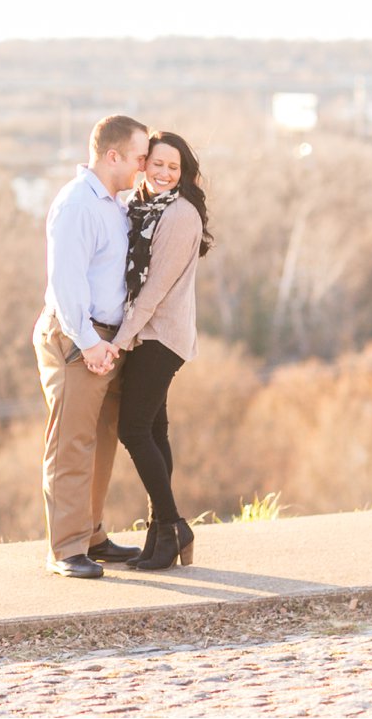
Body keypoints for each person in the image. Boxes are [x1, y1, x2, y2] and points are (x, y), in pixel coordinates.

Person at [34, 114, 149, 578]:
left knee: (102, 441)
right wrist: (88, 343)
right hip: (75, 338)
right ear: (113, 155)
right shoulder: (78, 204)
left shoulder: (114, 205)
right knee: (71, 444)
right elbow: (66, 285)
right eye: (140, 157)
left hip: (106, 340)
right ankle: (64, 549)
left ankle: (92, 536)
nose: (144, 166)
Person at [111, 131, 213, 571]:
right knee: (154, 430)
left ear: (184, 172)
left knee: (132, 430)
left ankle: (171, 524)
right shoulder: (140, 207)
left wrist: (121, 339)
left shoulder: (179, 215)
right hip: (147, 332)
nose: (165, 173)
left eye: (174, 167)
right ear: (143, 165)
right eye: (158, 165)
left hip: (160, 335)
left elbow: (154, 290)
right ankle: (164, 533)